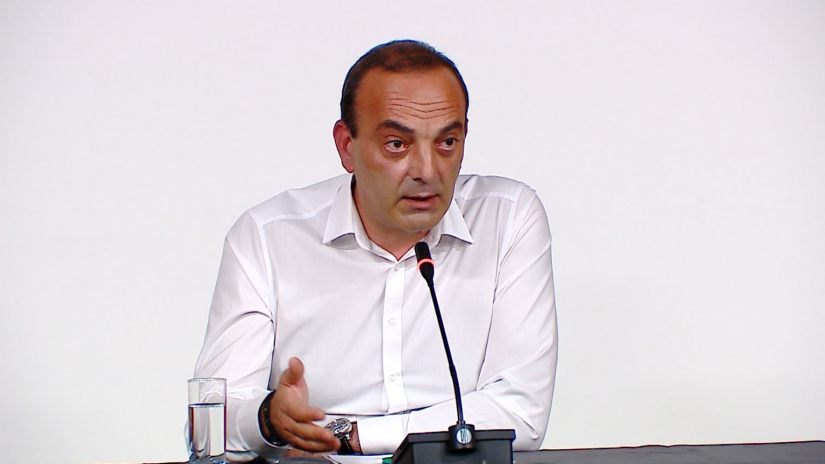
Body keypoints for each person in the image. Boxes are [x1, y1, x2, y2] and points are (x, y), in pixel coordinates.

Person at [193, 39, 558, 461]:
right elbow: (212, 424)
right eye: (397, 144)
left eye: (447, 142)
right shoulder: (267, 237)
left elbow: (520, 413)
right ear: (347, 146)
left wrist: (347, 436)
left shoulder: (508, 217)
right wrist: (269, 419)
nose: (427, 171)